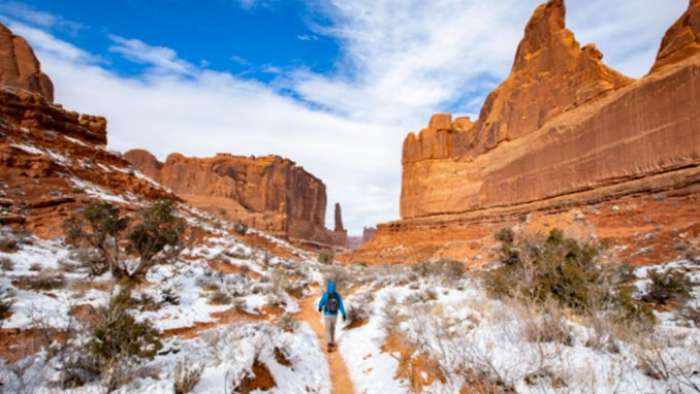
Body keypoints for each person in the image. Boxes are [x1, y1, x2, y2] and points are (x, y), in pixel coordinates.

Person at [318, 280, 346, 352]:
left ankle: (329, 342)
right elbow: (340, 305)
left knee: (327, 329)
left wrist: (320, 307)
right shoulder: (337, 295)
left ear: (328, 287)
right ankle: (332, 341)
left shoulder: (326, 294)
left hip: (327, 314)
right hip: (335, 315)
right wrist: (343, 314)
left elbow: (322, 302)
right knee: (332, 328)